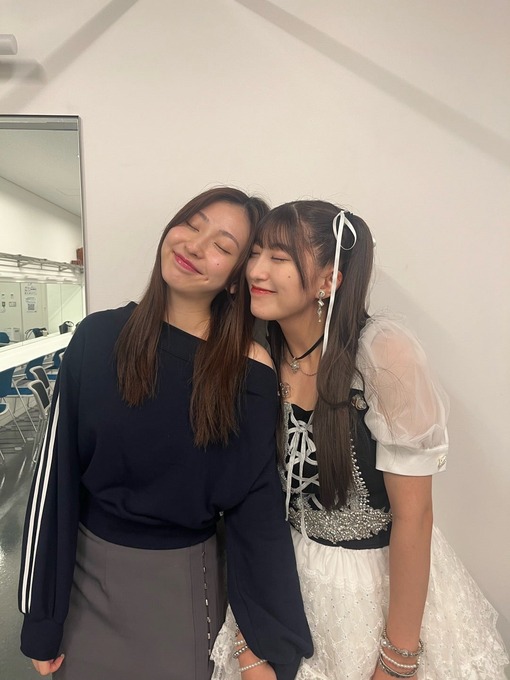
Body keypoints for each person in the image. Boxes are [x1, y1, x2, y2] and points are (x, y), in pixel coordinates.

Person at [18, 187, 313, 680]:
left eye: (221, 246)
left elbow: (256, 512)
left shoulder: (249, 373)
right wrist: (42, 616)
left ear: (236, 280)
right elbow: (56, 480)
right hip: (84, 583)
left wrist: (270, 647)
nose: (194, 246)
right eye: (192, 225)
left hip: (184, 586)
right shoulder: (97, 337)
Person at [211, 200, 509, 679]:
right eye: (256, 252)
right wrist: (249, 642)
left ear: (329, 280)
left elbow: (415, 516)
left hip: (376, 587)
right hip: (278, 576)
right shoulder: (257, 349)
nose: (256, 270)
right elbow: (241, 500)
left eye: (279, 258)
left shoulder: (382, 355)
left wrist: (396, 662)